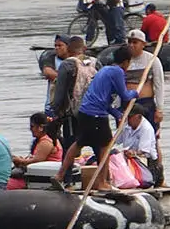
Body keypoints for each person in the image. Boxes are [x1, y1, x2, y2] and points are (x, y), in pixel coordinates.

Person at [59, 60, 137, 193]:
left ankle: (60, 175)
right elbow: (125, 95)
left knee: (79, 143)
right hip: (95, 115)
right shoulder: (117, 71)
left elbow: (104, 102)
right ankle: (102, 182)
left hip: (84, 112)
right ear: (126, 62)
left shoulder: (105, 71)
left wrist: (116, 114)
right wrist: (135, 93)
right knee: (106, 146)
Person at [121, 30, 167, 182]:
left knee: (152, 140)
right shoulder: (124, 61)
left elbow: (159, 85)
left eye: (135, 42)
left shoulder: (152, 60)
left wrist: (159, 109)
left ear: (143, 44)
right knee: (127, 141)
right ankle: (132, 176)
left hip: (146, 104)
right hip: (127, 106)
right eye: (130, 42)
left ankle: (158, 177)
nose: (132, 45)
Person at [8, 113, 60, 188]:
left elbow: (36, 161)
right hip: (38, 175)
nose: (30, 129)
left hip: (41, 178)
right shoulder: (46, 140)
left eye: (32, 126)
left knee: (4, 184)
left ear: (41, 128)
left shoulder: (46, 142)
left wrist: (20, 160)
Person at [112, 103, 159, 187]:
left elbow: (143, 151)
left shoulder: (146, 128)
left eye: (130, 117)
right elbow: (115, 140)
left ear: (139, 117)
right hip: (129, 159)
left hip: (146, 162)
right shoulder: (126, 125)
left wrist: (133, 153)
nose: (128, 119)